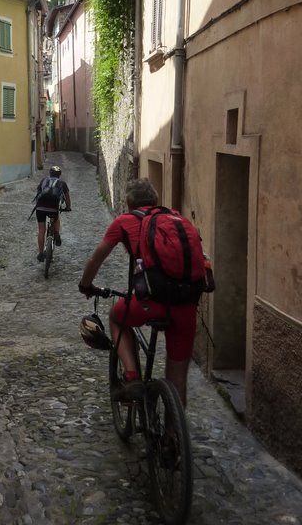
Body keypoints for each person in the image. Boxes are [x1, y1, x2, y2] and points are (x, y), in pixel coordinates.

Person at [78, 178, 197, 407]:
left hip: (151, 301)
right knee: (178, 375)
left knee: (116, 317)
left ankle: (132, 377)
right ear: (155, 200)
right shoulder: (177, 219)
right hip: (186, 304)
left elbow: (96, 259)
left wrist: (86, 285)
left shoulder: (124, 221)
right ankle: (174, 437)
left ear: (129, 202)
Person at [35, 165, 71, 262]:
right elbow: (67, 197)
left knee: (41, 230)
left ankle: (41, 253)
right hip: (53, 208)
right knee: (56, 217)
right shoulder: (62, 183)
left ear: (50, 173)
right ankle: (56, 233)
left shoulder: (44, 180)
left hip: (40, 208)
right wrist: (68, 207)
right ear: (59, 175)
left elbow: (38, 193)